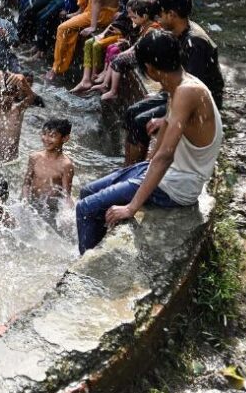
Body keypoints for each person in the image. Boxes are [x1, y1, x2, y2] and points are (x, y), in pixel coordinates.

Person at [76, 31, 223, 254]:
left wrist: (132, 207)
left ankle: (85, 264)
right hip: (169, 174)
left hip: (177, 184)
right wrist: (163, 123)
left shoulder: (185, 91)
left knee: (85, 209)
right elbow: (169, 133)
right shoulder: (181, 84)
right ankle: (97, 243)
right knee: (87, 192)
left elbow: (165, 156)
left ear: (151, 69)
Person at [121, 0, 225, 165]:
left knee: (141, 122)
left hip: (201, 103)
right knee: (131, 113)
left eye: (160, 15)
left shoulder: (195, 42)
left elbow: (193, 90)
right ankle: (128, 166)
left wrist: (167, 118)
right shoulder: (178, 34)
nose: (158, 20)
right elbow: (177, 74)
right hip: (178, 93)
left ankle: (137, 171)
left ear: (172, 15)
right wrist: (161, 94)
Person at [45, 0, 118, 81]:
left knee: (62, 28)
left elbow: (97, 0)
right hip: (106, 10)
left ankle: (56, 68)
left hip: (101, 13)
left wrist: (93, 26)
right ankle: (80, 11)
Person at [91, 0, 161, 100]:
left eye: (134, 17)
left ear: (145, 16)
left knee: (117, 60)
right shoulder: (141, 24)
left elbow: (138, 46)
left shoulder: (152, 28)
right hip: (140, 51)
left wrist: (125, 51)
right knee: (113, 50)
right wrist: (126, 42)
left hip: (147, 57)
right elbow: (135, 41)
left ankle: (113, 91)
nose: (131, 18)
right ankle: (105, 83)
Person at [0, 70, 36, 165]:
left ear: (16, 93)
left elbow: (31, 97)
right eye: (3, 93)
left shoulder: (18, 110)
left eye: (10, 93)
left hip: (12, 160)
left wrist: (23, 79)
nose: (6, 97)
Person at [22, 118, 75, 222]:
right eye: (44, 134)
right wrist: (25, 202)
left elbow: (66, 195)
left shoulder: (66, 165)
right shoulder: (34, 157)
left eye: (52, 136)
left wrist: (70, 215)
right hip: (32, 202)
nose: (46, 139)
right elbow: (26, 183)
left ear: (65, 138)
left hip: (51, 209)